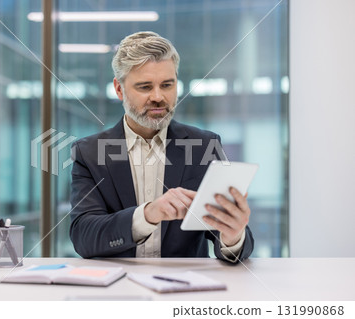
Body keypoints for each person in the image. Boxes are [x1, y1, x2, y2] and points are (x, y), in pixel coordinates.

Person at [69, 31, 254, 263]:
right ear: (119, 89)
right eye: (145, 87)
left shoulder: (205, 146)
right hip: (118, 286)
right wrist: (148, 214)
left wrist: (233, 235)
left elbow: (221, 234)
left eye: (167, 85)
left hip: (186, 287)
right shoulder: (89, 153)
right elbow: (83, 236)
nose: (158, 97)